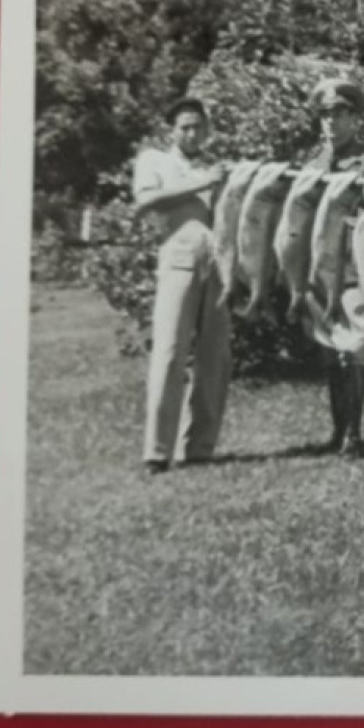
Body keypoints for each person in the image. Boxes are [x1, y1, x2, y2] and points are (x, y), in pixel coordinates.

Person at [132, 97, 230, 474]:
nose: (192, 133)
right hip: (178, 261)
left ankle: (200, 447)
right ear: (171, 130)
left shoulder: (214, 165)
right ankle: (157, 451)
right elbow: (146, 202)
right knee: (170, 353)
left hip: (218, 265)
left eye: (198, 126)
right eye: (185, 127)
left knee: (215, 358)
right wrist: (200, 184)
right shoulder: (155, 161)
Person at [300, 79, 364, 457]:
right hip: (320, 268)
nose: (331, 122)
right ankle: (337, 431)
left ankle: (353, 432)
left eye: (340, 113)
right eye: (325, 114)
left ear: (356, 117)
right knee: (327, 348)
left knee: (352, 348)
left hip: (354, 266)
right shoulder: (311, 162)